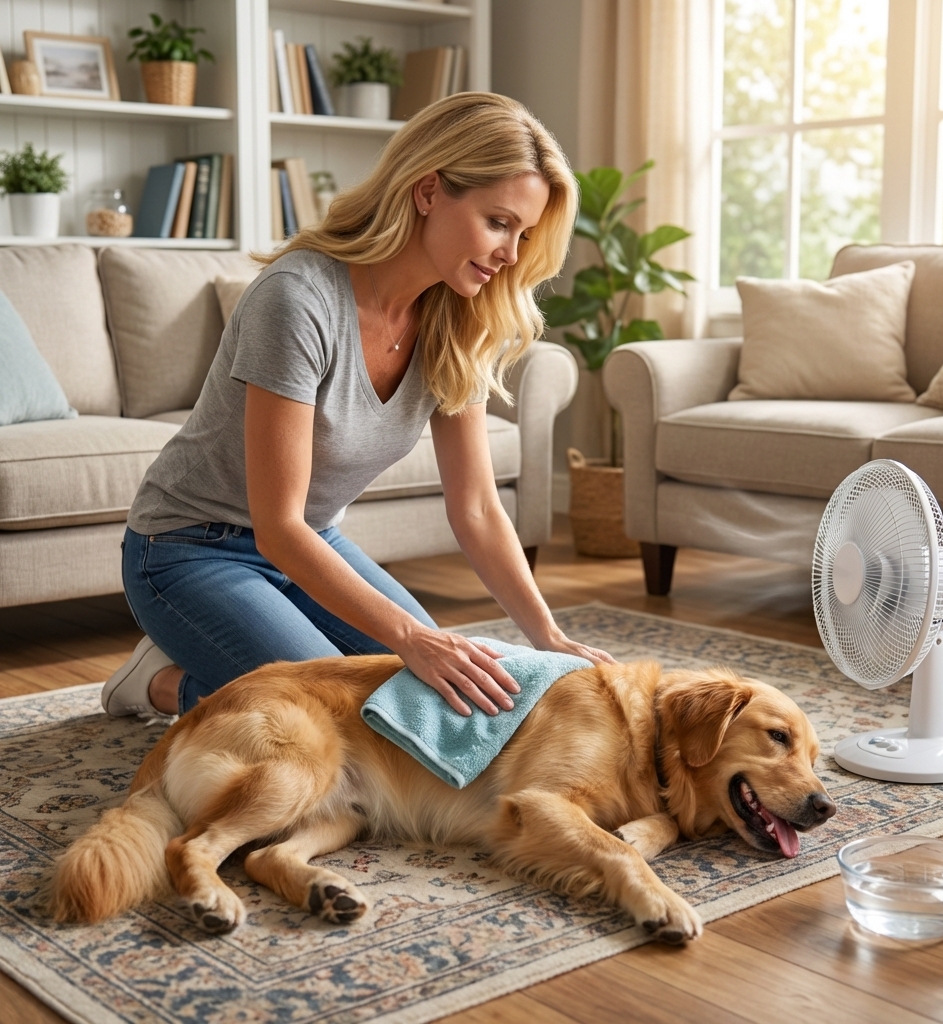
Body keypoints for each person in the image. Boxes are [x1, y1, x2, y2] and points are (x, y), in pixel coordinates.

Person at [103, 92, 613, 723]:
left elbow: (478, 507)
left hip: (313, 544)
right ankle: (161, 683)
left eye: (526, 234)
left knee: (452, 700)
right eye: (499, 222)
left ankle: (227, 665)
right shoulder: (298, 299)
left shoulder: (458, 319)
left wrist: (549, 637)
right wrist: (411, 639)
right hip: (190, 548)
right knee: (343, 718)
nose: (512, 254)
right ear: (428, 191)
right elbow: (278, 526)